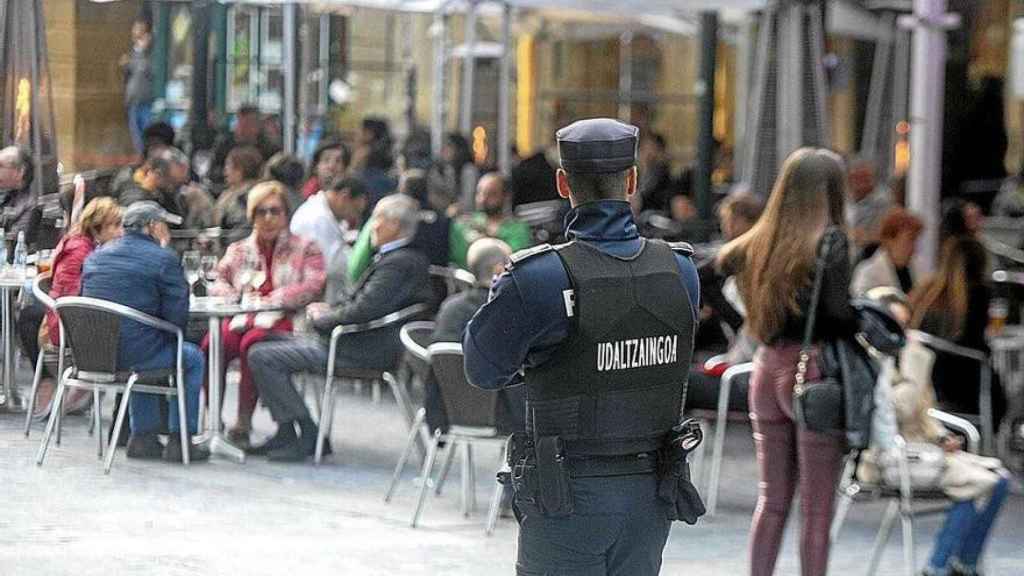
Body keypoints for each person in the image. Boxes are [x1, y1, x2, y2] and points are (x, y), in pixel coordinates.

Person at [464, 118, 701, 576]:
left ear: (561, 182)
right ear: (632, 180)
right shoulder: (680, 270)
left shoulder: (537, 278)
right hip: (650, 492)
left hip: (568, 493)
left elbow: (482, 369)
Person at [716, 147, 854, 576]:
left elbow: (712, 269)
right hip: (811, 374)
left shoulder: (759, 242)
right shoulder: (830, 242)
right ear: (831, 191)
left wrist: (745, 318)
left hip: (765, 367)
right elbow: (837, 317)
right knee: (816, 509)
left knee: (771, 501)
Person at [247, 194, 433, 461]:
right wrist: (330, 312)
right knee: (262, 339)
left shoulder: (399, 263)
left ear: (393, 224)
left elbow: (364, 309)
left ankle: (306, 431)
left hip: (360, 349)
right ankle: (287, 430)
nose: (372, 225)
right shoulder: (398, 258)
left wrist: (323, 319)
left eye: (377, 219)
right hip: (355, 340)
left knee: (261, 356)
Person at [860, 290, 1011, 576]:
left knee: (999, 480)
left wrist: (940, 436)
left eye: (905, 324)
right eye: (895, 324)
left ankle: (962, 563)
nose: (901, 332)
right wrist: (914, 359)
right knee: (973, 484)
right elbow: (897, 410)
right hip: (889, 456)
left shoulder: (905, 356)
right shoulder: (871, 360)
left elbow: (924, 410)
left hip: (923, 450)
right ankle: (937, 567)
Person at [81, 201, 209, 462]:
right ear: (153, 227)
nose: (168, 233)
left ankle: (142, 437)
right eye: (165, 226)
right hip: (136, 354)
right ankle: (180, 439)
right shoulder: (163, 259)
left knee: (146, 343)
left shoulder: (96, 256)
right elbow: (177, 319)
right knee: (191, 357)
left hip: (94, 355)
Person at [204, 181, 325, 449]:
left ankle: (243, 422)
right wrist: (232, 296)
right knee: (213, 342)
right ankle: (212, 420)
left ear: (286, 214)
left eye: (275, 211)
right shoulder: (239, 250)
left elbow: (314, 284)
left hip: (285, 319)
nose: (268, 218)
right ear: (252, 216)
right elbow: (218, 278)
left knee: (253, 344)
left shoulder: (306, 247)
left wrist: (276, 298)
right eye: (261, 212)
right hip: (242, 316)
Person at [26, 198, 123, 420]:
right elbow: (74, 301)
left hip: (63, 326)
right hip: (67, 334)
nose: (121, 233)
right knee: (138, 341)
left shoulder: (85, 246)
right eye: (115, 226)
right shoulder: (81, 252)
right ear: (97, 227)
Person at [424, 238, 524, 435]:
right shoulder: (507, 311)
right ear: (499, 269)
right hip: (501, 416)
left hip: (444, 411)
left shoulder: (449, 307)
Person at [909, 236, 1007, 430]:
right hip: (964, 379)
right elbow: (975, 342)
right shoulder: (979, 294)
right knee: (1001, 400)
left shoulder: (928, 290)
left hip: (929, 374)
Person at [291, 176, 366, 305]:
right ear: (344, 196)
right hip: (313, 295)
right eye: (355, 210)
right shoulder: (317, 218)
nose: (354, 217)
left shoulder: (324, 214)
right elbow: (331, 265)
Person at [450, 172, 532, 268]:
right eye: (480, 192)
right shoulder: (463, 225)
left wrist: (487, 240)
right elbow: (459, 258)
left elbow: (514, 259)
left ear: (505, 196)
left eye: (492, 194)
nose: (483, 199)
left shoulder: (518, 228)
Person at [851, 207, 923, 297]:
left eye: (916, 240)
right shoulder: (867, 273)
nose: (914, 248)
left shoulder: (917, 268)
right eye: (910, 240)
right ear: (889, 240)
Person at [214, 146, 264, 242]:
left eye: (228, 166)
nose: (225, 171)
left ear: (240, 169)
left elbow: (240, 229)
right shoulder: (229, 194)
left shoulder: (248, 196)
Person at [120, 19, 155, 155]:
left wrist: (142, 50)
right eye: (134, 30)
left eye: (139, 30)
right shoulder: (132, 53)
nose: (135, 33)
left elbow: (146, 69)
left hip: (146, 101)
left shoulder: (149, 54)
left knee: (147, 134)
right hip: (133, 101)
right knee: (136, 135)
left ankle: (147, 157)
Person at [845, 157, 892, 257]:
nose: (859, 183)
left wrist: (866, 236)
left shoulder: (882, 202)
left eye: (864, 178)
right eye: (855, 177)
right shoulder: (843, 199)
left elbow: (888, 235)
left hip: (870, 255)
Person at [0, 145, 39, 243]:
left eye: (0, 165)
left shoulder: (30, 206)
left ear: (20, 172)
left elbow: (13, 243)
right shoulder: (5, 196)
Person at [637, 132, 675, 213]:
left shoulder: (661, 171)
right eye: (644, 148)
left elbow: (647, 195)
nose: (647, 153)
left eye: (651, 148)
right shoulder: (639, 170)